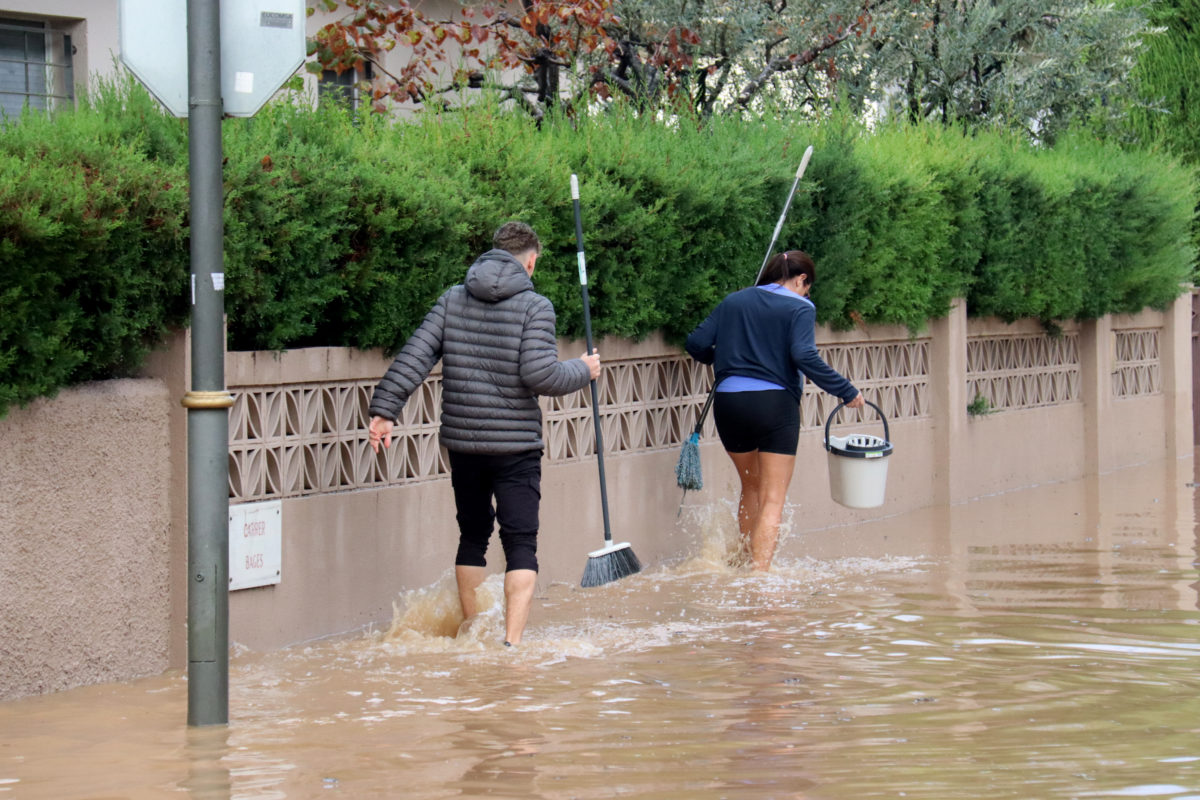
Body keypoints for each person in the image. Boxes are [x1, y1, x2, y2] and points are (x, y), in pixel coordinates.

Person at [367, 221, 601, 647]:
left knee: (473, 534)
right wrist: (582, 370)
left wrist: (385, 411)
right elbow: (540, 374)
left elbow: (415, 355)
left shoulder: (453, 299)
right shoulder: (535, 306)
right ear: (531, 262)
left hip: (464, 443)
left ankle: (472, 635)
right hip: (515, 447)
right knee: (521, 542)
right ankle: (511, 646)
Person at [685, 250, 864, 571]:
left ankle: (741, 561)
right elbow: (804, 356)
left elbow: (696, 343)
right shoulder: (800, 307)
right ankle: (759, 577)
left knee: (751, 485)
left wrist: (727, 359)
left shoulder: (733, 301)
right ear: (801, 280)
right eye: (807, 287)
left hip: (729, 404)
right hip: (775, 405)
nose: (806, 293)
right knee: (773, 496)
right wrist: (846, 391)